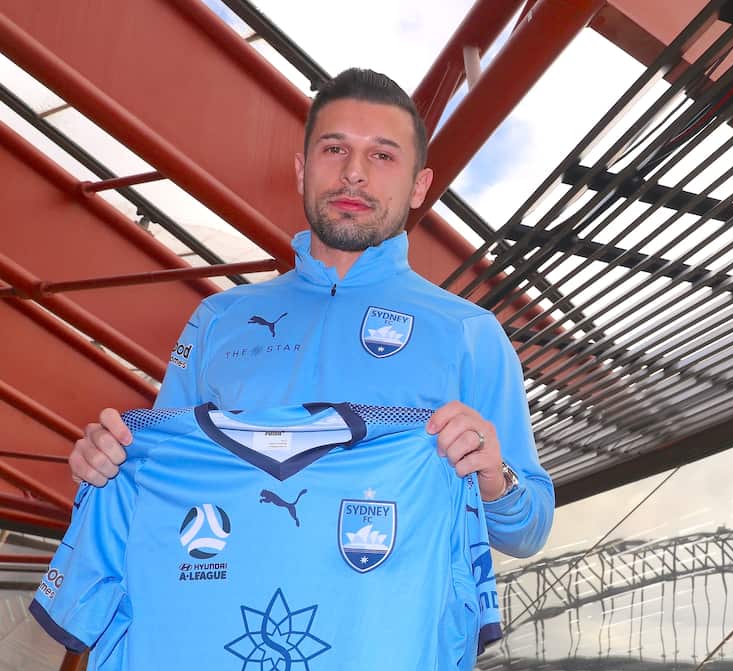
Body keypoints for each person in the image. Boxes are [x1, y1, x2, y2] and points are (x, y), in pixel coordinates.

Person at [67, 68, 551, 558]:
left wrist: (496, 479)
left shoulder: (470, 332)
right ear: (302, 170)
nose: (353, 173)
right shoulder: (217, 320)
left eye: (382, 155)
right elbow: (164, 478)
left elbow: (527, 532)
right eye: (334, 149)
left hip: (390, 632)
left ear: (419, 186)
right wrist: (108, 463)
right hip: (230, 623)